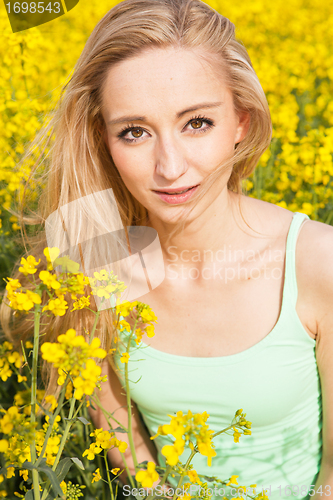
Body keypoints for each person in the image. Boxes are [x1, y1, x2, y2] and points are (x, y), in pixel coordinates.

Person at [1, 0, 332, 499]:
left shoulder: (315, 261)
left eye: (196, 122)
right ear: (103, 141)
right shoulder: (98, 258)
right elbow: (108, 406)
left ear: (241, 123)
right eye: (134, 132)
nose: (170, 166)